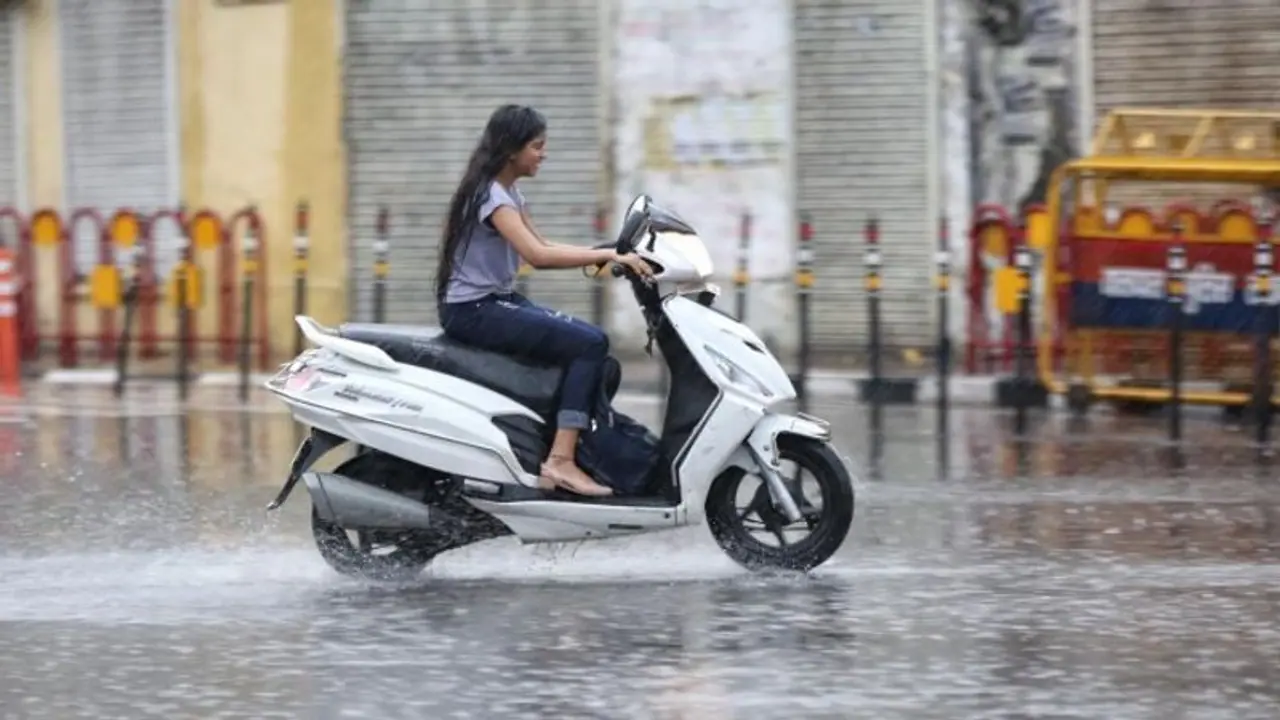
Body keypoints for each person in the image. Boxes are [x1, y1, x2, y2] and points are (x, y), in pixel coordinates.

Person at [435, 104, 654, 497]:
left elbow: (544, 245)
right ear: (511, 150)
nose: (544, 154)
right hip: (474, 310)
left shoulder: (507, 193)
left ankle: (567, 446)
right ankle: (560, 462)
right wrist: (604, 257)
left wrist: (607, 251)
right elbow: (537, 257)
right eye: (537, 146)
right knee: (590, 342)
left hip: (494, 301)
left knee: (599, 362)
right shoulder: (493, 198)